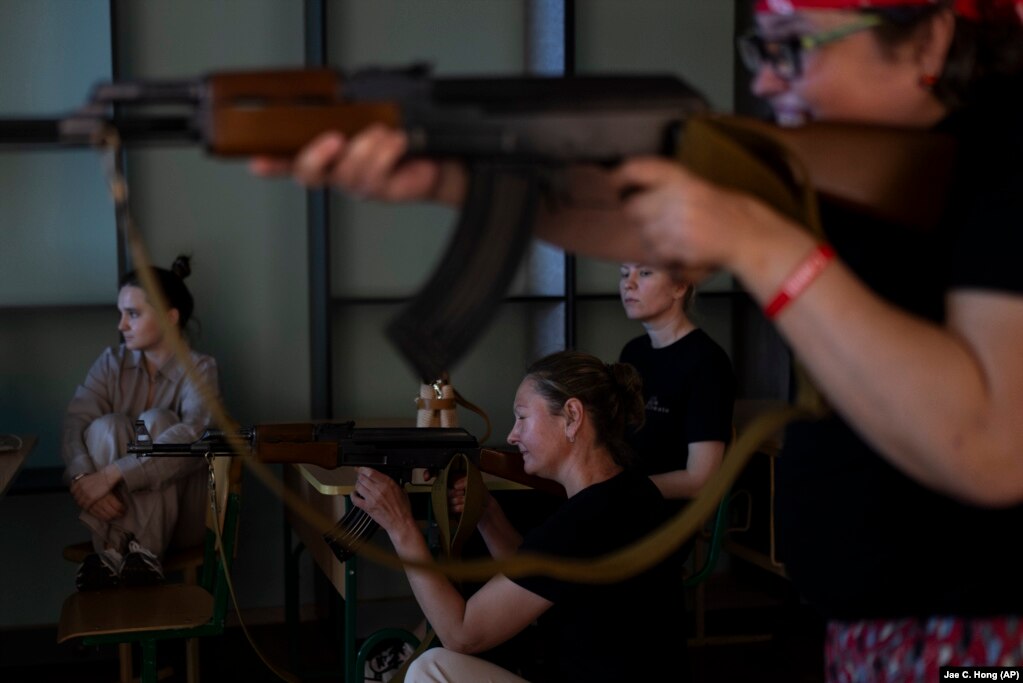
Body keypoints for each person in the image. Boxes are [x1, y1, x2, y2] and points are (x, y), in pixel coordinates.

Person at [251, 0, 1023, 675]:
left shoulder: (1001, 174)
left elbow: (994, 447)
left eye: (796, 45)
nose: (766, 82)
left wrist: (758, 242)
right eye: (762, 49)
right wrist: (446, 175)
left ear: (925, 42)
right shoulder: (872, 176)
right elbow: (635, 216)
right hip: (877, 620)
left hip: (980, 637)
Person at [350, 351, 688, 682]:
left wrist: (401, 526)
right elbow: (538, 577)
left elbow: (462, 633)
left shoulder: (580, 523)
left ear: (572, 416)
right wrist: (486, 513)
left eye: (522, 417)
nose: (512, 435)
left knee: (430, 668)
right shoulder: (634, 491)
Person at [62, 255, 219, 591]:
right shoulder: (110, 362)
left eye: (132, 314)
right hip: (109, 508)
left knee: (158, 421)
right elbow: (76, 423)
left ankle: (126, 554)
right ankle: (120, 558)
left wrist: (109, 476)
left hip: (181, 520)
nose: (121, 325)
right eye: (121, 314)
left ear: (169, 317)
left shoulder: (200, 369)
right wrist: (83, 478)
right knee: (107, 425)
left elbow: (194, 434)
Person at [617, 263, 734, 508]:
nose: (629, 283)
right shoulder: (633, 351)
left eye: (645, 272)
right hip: (624, 495)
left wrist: (618, 492)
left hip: (666, 508)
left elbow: (701, 479)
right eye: (624, 273)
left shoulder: (707, 361)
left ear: (680, 286)